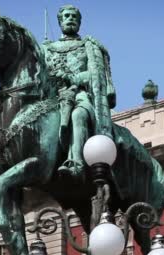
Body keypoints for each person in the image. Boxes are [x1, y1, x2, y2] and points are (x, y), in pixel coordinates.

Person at [43, 5, 116, 179]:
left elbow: (96, 74)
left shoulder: (88, 46)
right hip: (53, 96)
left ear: (79, 22)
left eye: (74, 16)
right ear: (60, 21)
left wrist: (73, 78)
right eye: (66, 16)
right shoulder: (47, 48)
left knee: (78, 115)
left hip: (79, 94)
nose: (70, 19)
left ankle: (76, 163)